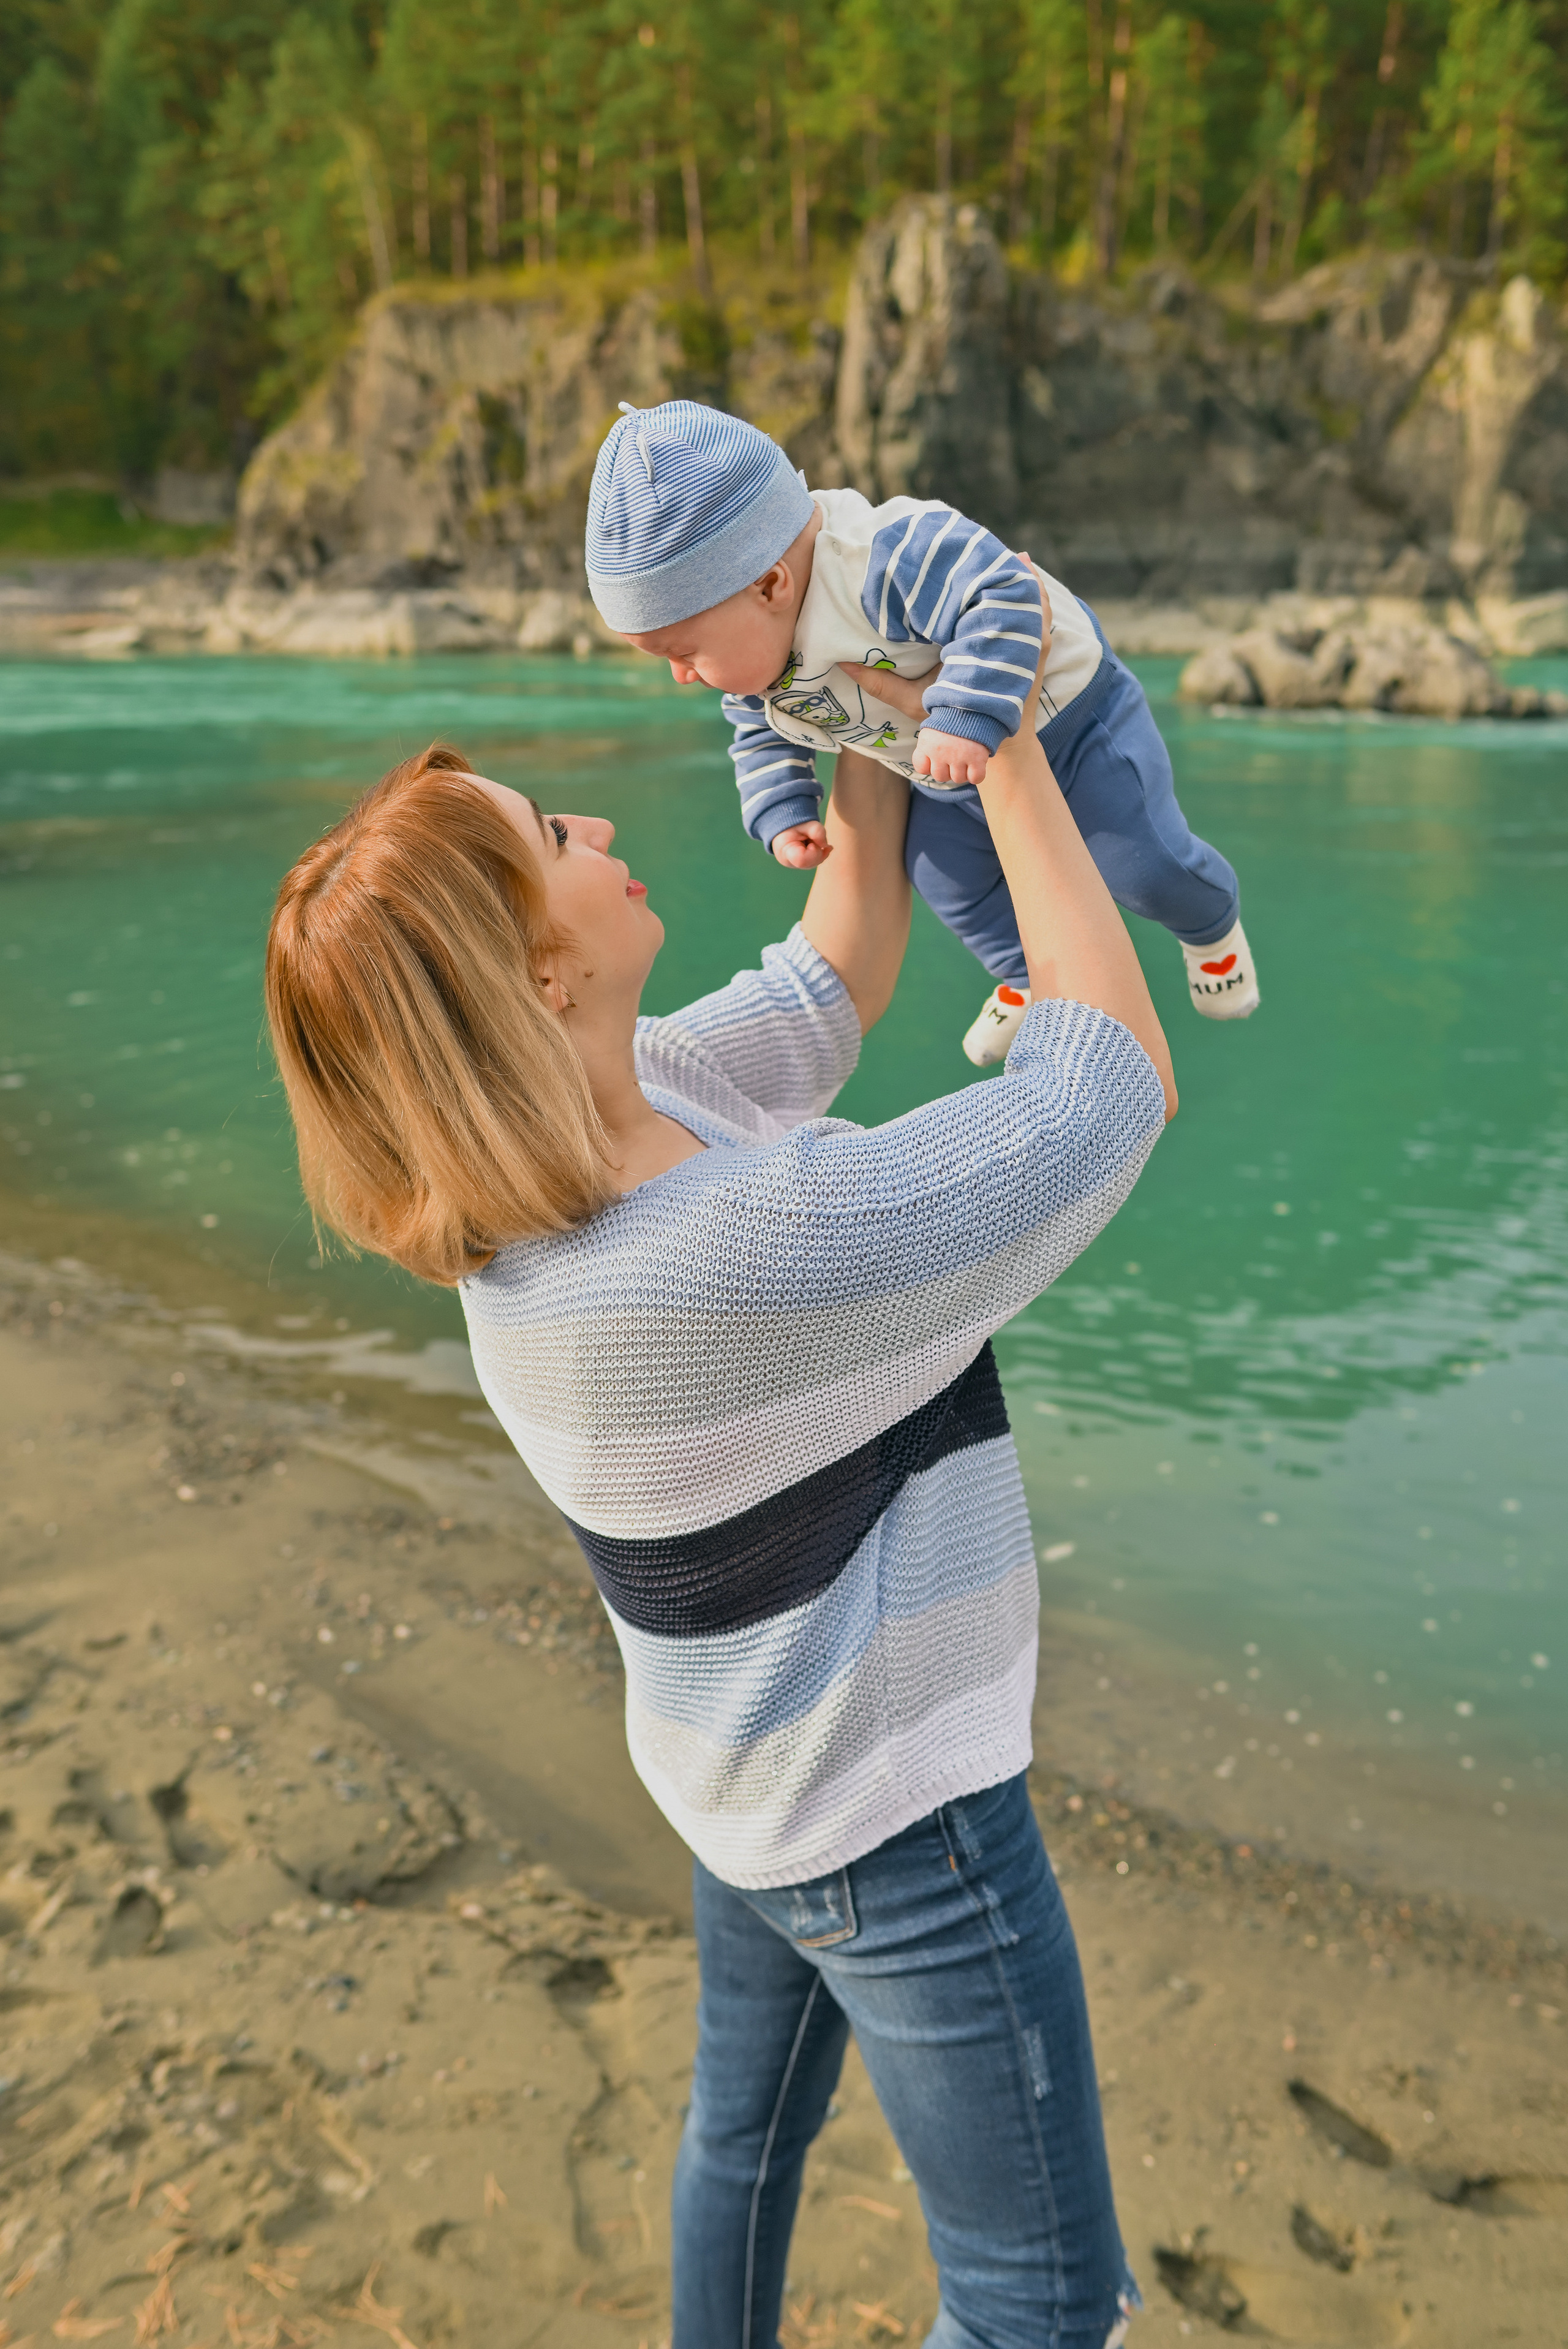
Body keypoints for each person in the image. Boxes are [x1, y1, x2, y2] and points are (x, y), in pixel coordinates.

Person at [263, 615, 1176, 2347]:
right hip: (902, 1822)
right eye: (558, 841)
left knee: (741, 2147)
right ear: (539, 976)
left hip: (745, 1776)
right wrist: (1016, 737)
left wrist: (864, 701)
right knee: (1041, 2303)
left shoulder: (577, 1151)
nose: (600, 833)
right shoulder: (718, 1252)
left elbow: (837, 971)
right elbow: (1105, 1093)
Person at [584, 396, 1257, 1063]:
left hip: (1072, 724)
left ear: (769, 586)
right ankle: (1030, 977)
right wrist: (782, 809)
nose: (682, 677)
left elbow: (1006, 592)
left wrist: (964, 714)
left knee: (1141, 866)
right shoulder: (753, 657)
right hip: (941, 771)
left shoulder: (885, 556)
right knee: (946, 876)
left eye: (682, 653)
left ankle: (1209, 927)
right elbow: (759, 726)